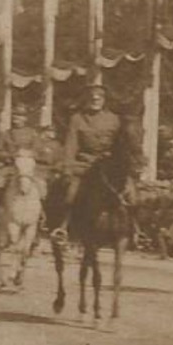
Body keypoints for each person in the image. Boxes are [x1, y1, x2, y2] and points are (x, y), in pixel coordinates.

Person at [51, 78, 123, 237]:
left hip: (107, 166)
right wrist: (68, 168)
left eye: (99, 98)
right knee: (71, 193)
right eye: (92, 98)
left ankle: (134, 230)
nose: (95, 101)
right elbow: (71, 145)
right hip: (83, 165)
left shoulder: (114, 119)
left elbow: (120, 146)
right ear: (87, 99)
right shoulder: (77, 119)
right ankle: (63, 226)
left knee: (128, 195)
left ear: (104, 100)